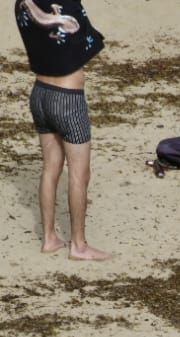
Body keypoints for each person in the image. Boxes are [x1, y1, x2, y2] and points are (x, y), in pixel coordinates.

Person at [13, 0, 110, 260]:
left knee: (50, 168)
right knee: (79, 174)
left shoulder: (22, 5)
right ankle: (78, 244)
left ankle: (49, 238)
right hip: (67, 98)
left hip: (40, 93)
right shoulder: (64, 4)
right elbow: (87, 40)